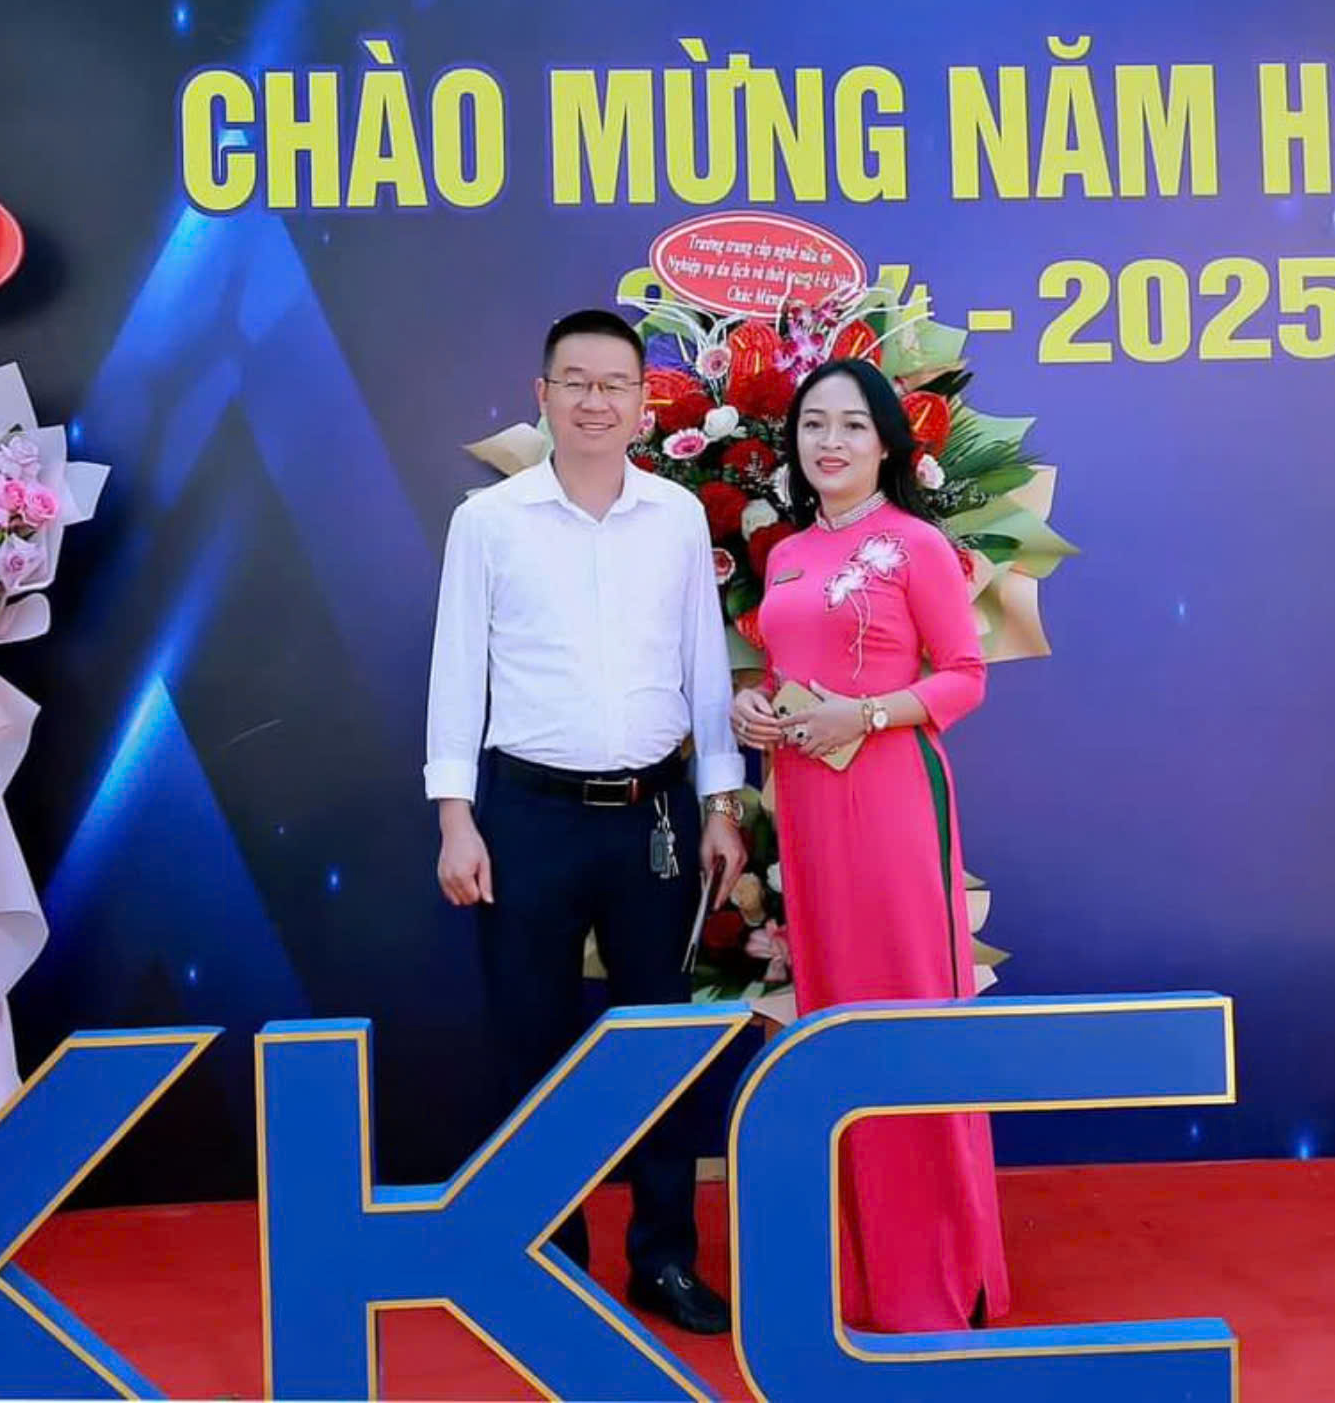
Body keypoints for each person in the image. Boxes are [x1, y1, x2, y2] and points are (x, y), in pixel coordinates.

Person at [424, 308, 749, 1336]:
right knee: (532, 1042)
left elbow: (705, 666)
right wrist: (455, 819)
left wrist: (720, 802)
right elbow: (455, 672)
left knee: (656, 1043)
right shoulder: (489, 521)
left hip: (654, 815)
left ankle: (663, 1257)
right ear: (543, 395)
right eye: (576, 382)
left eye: (615, 384)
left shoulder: (676, 516)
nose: (595, 401)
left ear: (644, 403)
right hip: (525, 815)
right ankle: (545, 1260)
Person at [729, 356, 1012, 1334]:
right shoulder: (786, 554)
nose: (831, 441)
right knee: (833, 1019)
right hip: (807, 809)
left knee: (907, 1013)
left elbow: (965, 675)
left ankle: (937, 1279)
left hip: (889, 800)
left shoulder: (917, 545)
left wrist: (870, 713)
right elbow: (784, 670)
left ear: (888, 443)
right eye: (813, 424)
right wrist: (754, 708)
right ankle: (861, 1275)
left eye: (852, 424)